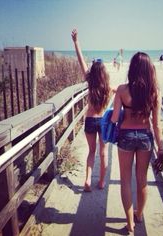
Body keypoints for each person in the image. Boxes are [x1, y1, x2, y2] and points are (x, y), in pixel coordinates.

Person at [111, 52, 163, 233]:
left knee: (125, 180)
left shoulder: (122, 90)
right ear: (150, 70)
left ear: (132, 69)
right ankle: (139, 215)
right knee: (142, 179)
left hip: (125, 136)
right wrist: (161, 149)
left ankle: (130, 223)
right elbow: (156, 125)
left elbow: (113, 118)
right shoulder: (155, 92)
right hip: (145, 138)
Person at [71, 29, 113, 192]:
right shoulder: (108, 87)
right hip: (103, 121)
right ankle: (102, 182)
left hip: (89, 120)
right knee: (103, 153)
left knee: (91, 152)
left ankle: (88, 179)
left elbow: (81, 61)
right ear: (104, 73)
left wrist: (76, 42)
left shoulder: (90, 82)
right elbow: (123, 90)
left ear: (92, 73)